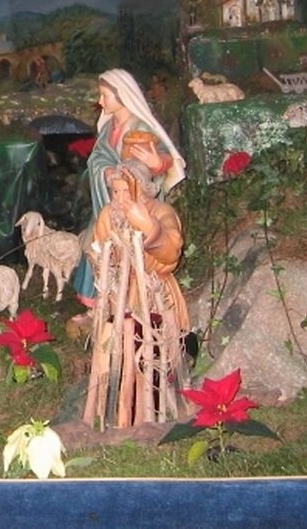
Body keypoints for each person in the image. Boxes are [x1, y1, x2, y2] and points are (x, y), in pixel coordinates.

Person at [83, 159, 189, 430]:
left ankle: (156, 410)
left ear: (141, 189)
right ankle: (116, 413)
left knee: (152, 353)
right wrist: (104, 262)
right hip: (119, 295)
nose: (119, 199)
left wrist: (147, 226)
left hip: (154, 293)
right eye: (115, 192)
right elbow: (99, 249)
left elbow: (171, 251)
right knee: (115, 349)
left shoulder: (161, 211)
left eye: (125, 191)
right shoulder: (109, 214)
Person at [72, 69, 186, 309]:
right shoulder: (108, 127)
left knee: (131, 250)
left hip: (134, 201)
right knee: (98, 241)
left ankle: (128, 304)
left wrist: (157, 163)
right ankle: (100, 304)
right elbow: (97, 158)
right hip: (111, 199)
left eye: (105, 95)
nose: (100, 101)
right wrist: (106, 171)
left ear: (122, 95)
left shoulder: (140, 125)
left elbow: (164, 157)